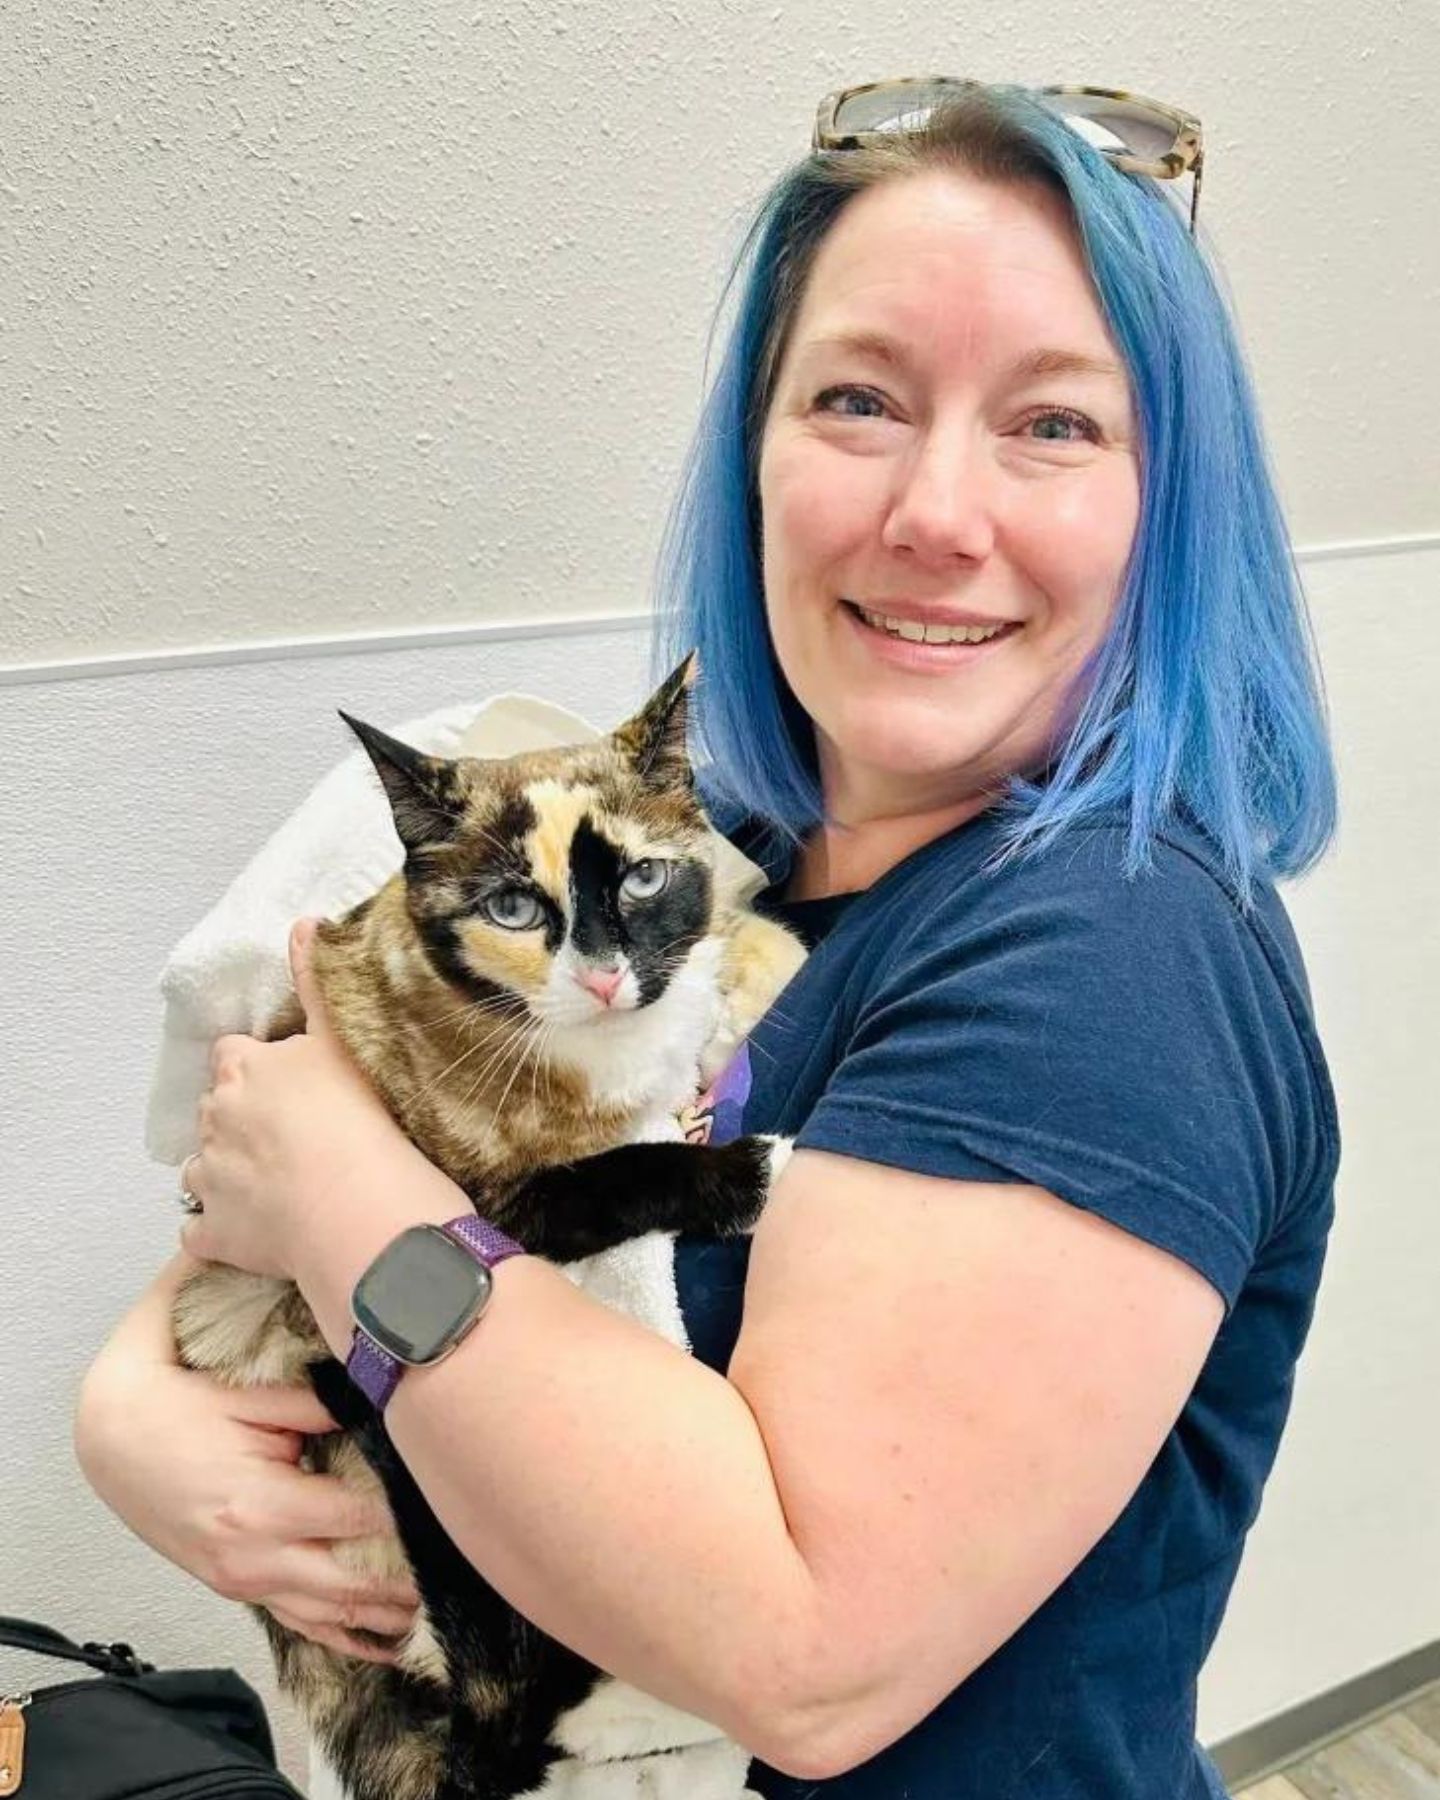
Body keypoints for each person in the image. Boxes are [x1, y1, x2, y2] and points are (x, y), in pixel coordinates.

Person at [75, 80, 1339, 1797]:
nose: (934, 513)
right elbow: (256, 1187)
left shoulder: (1105, 962)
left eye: (1054, 425)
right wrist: (134, 1426)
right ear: (758, 449)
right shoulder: (705, 858)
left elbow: (799, 1650)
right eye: (860, 400)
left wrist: (350, 1209)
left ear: (1165, 503)